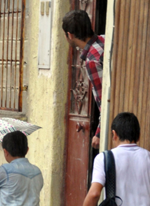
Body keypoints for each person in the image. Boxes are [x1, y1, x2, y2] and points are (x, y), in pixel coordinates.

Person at [62, 9, 104, 149]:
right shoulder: (105, 39)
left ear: (70, 35)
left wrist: (98, 134)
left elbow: (103, 100)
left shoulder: (92, 61)